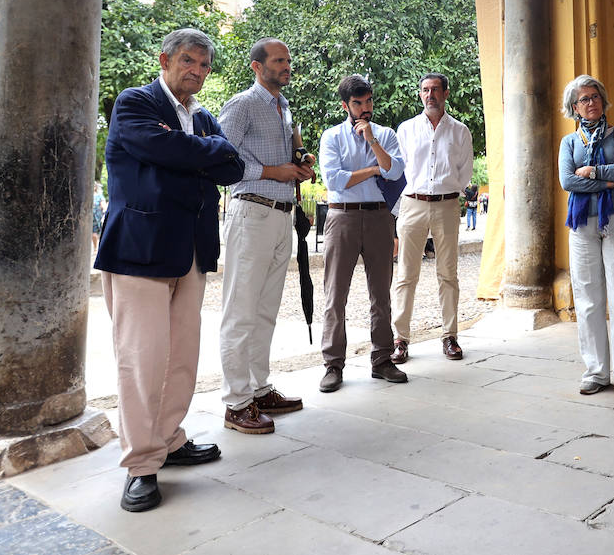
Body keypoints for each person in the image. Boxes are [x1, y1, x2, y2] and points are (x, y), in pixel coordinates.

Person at [95, 28, 244, 513]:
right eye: (188, 61)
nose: (197, 72)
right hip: (141, 249)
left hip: (192, 253)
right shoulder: (135, 103)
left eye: (204, 66)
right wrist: (199, 153)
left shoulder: (201, 117)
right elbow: (167, 152)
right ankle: (141, 464)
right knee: (141, 360)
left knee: (181, 357)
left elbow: (233, 168)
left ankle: (170, 438)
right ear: (165, 59)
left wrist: (192, 154)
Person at [217, 38, 313, 435]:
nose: (286, 65)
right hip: (251, 211)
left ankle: (259, 388)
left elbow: (289, 152)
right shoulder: (242, 104)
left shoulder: (284, 107)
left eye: (288, 59)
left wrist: (300, 160)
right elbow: (221, 156)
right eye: (279, 60)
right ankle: (236, 402)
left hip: (281, 216)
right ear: (258, 67)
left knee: (265, 309)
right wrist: (273, 172)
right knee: (240, 310)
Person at [558, 74, 614, 402]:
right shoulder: (569, 143)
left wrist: (594, 172)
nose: (591, 102)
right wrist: (611, 180)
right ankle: (596, 371)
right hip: (582, 223)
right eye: (584, 99)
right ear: (574, 107)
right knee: (587, 297)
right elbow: (568, 180)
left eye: (595, 96)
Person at [318, 74, 407, 390]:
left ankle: (382, 359)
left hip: (379, 217)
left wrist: (372, 141)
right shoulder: (332, 137)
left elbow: (395, 171)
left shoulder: (385, 134)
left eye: (369, 101)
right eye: (358, 103)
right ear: (346, 105)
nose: (365, 108)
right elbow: (334, 181)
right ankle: (333, 365)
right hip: (342, 218)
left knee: (380, 293)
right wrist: (372, 170)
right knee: (335, 295)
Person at [391, 73, 474, 363]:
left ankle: (450, 336)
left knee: (448, 274)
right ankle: (400, 340)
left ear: (446, 93)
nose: (430, 95)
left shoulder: (460, 131)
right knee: (406, 275)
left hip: (447, 204)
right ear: (419, 94)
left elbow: (465, 172)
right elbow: (399, 170)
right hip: (412, 203)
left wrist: (449, 191)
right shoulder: (407, 129)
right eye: (425, 90)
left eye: (436, 90)